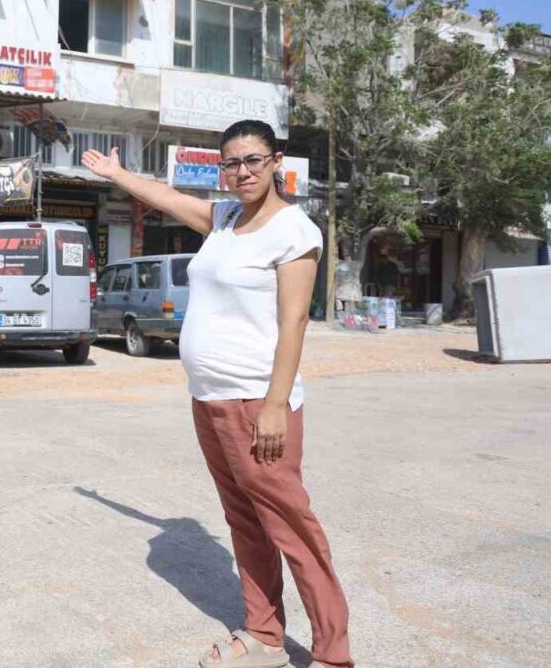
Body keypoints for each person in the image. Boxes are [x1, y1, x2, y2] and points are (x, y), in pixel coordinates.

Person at [82, 120, 353, 668]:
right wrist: (118, 174)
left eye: (253, 160)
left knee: (292, 528)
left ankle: (332, 653)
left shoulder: (293, 230)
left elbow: (295, 319)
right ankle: (266, 638)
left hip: (258, 403)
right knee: (244, 521)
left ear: (277, 161)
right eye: (230, 163)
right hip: (209, 399)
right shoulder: (225, 219)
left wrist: (276, 405)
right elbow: (167, 196)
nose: (242, 172)